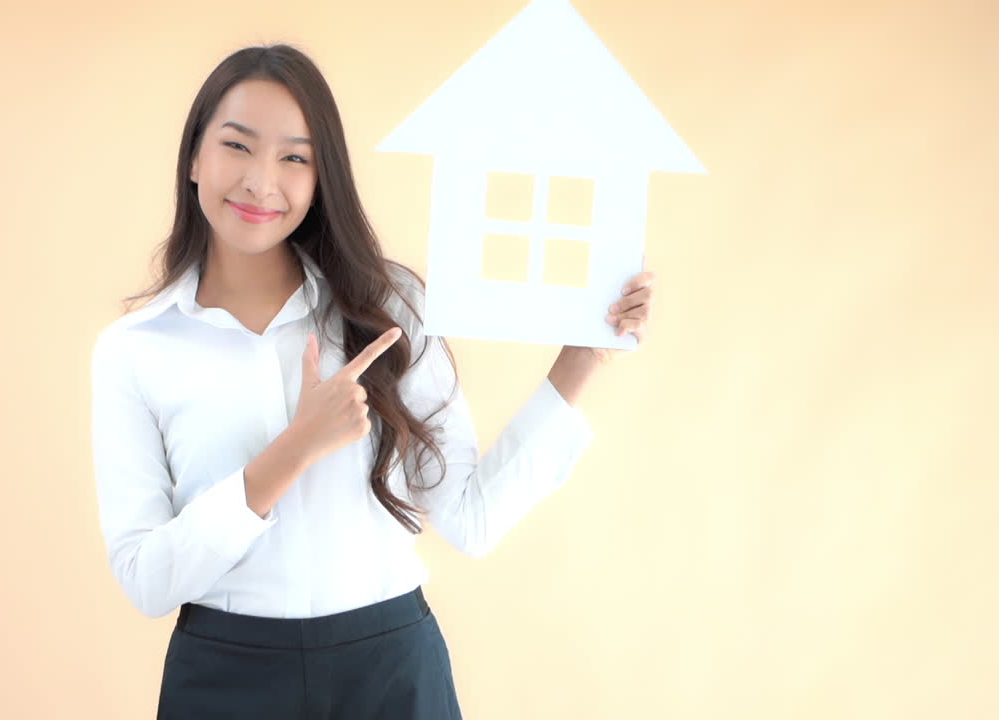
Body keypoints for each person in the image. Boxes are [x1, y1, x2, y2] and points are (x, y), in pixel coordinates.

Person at [90, 43, 655, 720]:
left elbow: (470, 519)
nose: (261, 182)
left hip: (390, 674)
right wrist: (293, 449)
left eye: (295, 157)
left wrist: (583, 359)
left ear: (322, 176)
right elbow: (149, 581)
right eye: (237, 147)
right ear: (194, 157)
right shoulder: (136, 349)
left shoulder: (391, 311)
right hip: (225, 679)